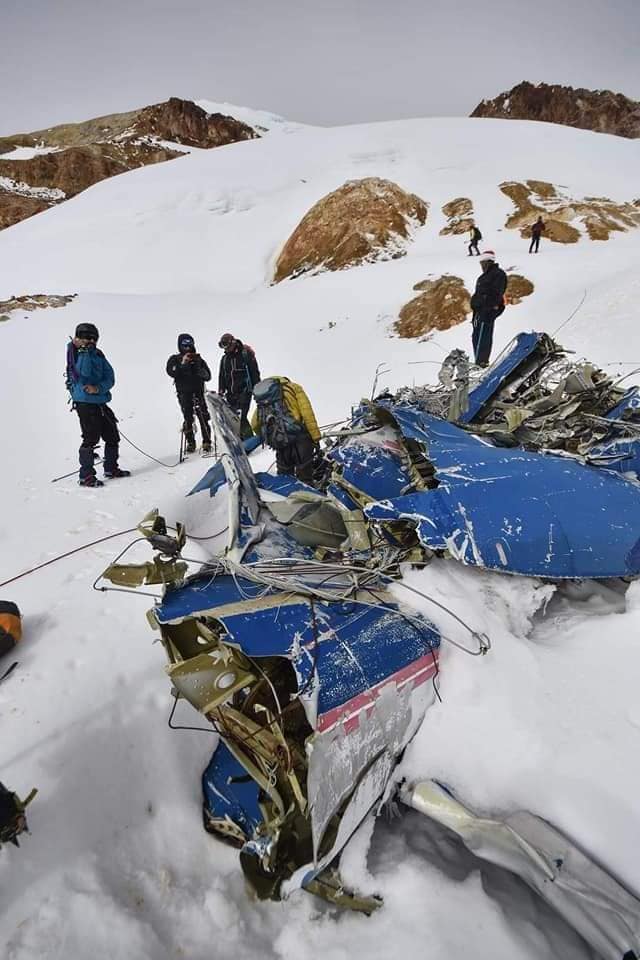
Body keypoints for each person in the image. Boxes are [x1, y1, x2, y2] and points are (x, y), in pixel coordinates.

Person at [65, 323, 130, 487]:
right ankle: (86, 475)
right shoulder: (76, 354)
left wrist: (99, 388)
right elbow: (83, 374)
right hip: (85, 402)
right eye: (87, 338)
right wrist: (84, 352)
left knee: (112, 435)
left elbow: (110, 377)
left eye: (94, 338)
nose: (91, 341)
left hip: (100, 400)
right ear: (79, 338)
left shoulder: (98, 354)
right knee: (90, 438)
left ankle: (111, 468)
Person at [251, 377, 321, 484]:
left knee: (285, 479)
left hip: (281, 443)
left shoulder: (264, 399)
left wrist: (270, 437)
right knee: (305, 478)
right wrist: (316, 438)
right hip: (300, 439)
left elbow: (254, 424)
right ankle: (307, 494)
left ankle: (288, 493)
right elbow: (307, 413)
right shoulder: (293, 388)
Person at [166, 334, 212, 454]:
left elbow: (208, 376)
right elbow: (171, 372)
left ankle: (207, 442)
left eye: (189, 346)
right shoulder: (175, 359)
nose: (187, 349)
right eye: (184, 346)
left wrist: (198, 369)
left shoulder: (199, 359)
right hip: (184, 393)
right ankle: (191, 442)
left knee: (203, 417)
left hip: (199, 392)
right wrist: (183, 364)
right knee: (188, 418)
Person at [218, 333, 261, 439]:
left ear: (233, 342)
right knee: (233, 419)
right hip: (230, 394)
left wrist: (258, 389)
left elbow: (254, 372)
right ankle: (243, 440)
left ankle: (249, 439)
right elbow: (222, 376)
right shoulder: (224, 359)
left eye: (227, 346)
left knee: (241, 418)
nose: (226, 349)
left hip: (245, 391)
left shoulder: (245, 354)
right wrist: (221, 390)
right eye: (223, 347)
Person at [469, 251, 507, 367]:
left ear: (488, 262)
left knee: (483, 337)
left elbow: (497, 293)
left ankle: (482, 362)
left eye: (483, 263)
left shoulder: (498, 274)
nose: (481, 266)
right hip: (479, 312)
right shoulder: (484, 276)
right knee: (476, 337)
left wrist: (488, 308)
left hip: (487, 311)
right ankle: (478, 361)